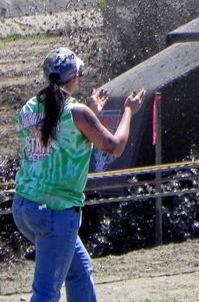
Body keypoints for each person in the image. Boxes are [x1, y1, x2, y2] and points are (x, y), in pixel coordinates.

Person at [12, 47, 146, 302]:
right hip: (56, 210)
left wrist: (91, 110)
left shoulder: (29, 108)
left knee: (80, 271)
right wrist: (128, 111)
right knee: (46, 291)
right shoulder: (77, 112)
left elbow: (61, 137)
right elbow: (114, 147)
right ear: (74, 78)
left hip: (25, 206)